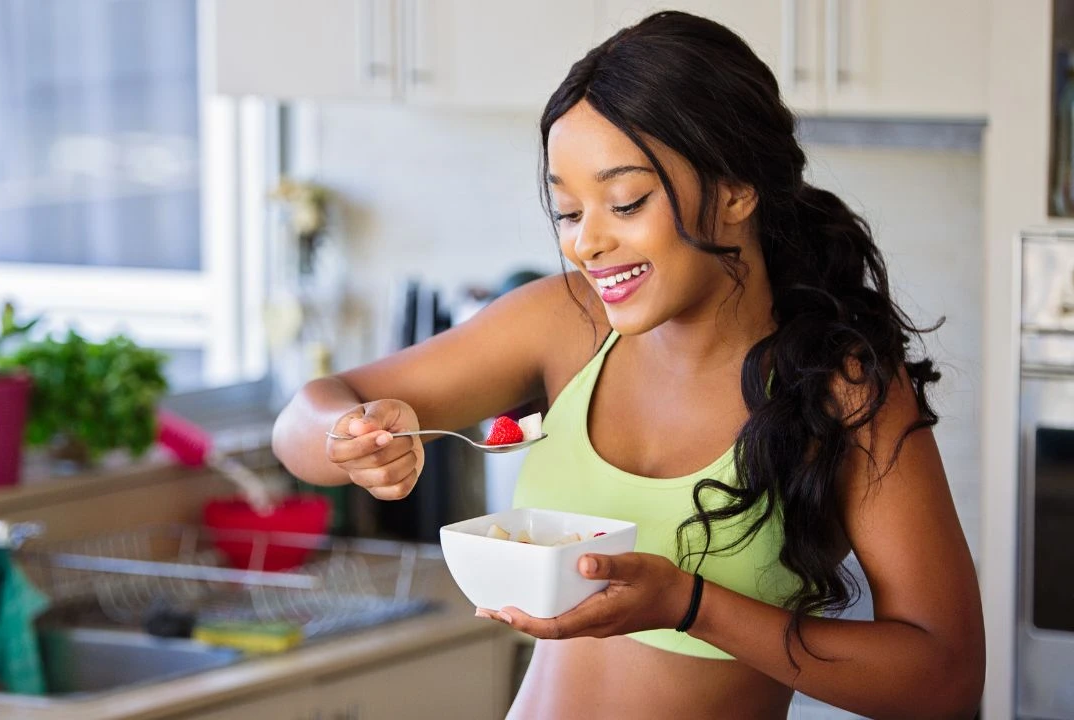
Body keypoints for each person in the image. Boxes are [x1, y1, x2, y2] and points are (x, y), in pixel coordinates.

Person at [272, 10, 985, 719]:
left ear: (736, 190)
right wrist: (351, 435)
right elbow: (303, 422)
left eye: (625, 201)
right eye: (568, 213)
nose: (587, 243)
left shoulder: (839, 387)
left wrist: (690, 605)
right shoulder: (564, 322)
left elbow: (946, 680)